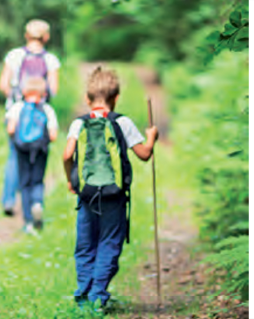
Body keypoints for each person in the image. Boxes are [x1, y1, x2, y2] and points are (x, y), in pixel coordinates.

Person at [62, 67, 159, 310]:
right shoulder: (122, 122)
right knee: (109, 243)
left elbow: (67, 155)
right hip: (114, 195)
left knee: (85, 245)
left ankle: (84, 298)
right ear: (116, 97)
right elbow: (144, 155)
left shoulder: (78, 124)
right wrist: (151, 137)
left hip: (86, 194)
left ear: (87, 98)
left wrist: (70, 180)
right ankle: (98, 296)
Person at [0, 19, 61, 217]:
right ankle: (36, 198)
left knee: (14, 156)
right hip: (41, 115)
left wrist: (17, 101)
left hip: (16, 113)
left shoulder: (14, 55)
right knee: (39, 158)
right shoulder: (50, 60)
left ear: (26, 35)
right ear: (46, 37)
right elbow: (54, 90)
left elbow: (3, 84)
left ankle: (9, 201)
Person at [6, 77, 59, 234]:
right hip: (41, 150)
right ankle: (38, 203)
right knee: (37, 180)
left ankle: (28, 220)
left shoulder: (17, 107)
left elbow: (10, 129)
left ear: (24, 91)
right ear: (43, 93)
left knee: (24, 183)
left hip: (22, 150)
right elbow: (53, 135)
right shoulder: (47, 109)